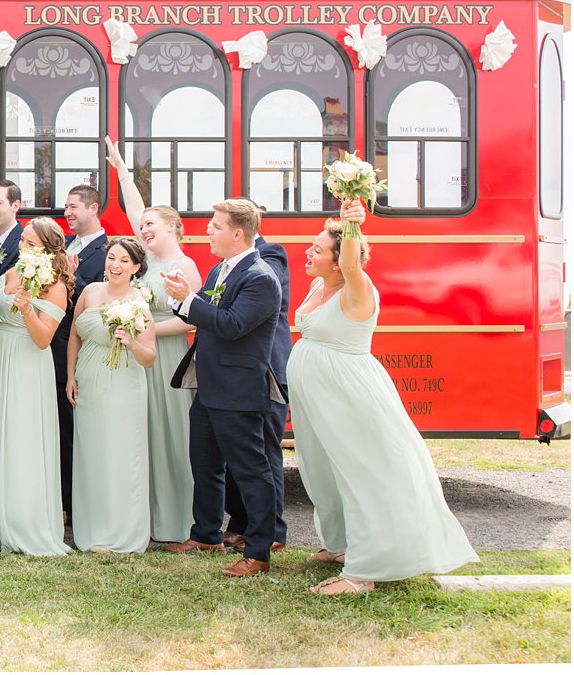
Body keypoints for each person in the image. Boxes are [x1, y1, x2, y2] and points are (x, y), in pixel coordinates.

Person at [289, 200, 478, 593]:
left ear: (339, 261)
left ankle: (363, 571)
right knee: (323, 470)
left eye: (318, 249)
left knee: (361, 472)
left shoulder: (358, 290)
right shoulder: (318, 285)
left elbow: (355, 266)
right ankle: (341, 544)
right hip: (318, 400)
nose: (308, 252)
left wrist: (353, 225)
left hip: (350, 396)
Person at [162, 199, 285, 578]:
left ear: (237, 232)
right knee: (205, 465)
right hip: (209, 386)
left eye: (215, 226)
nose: (207, 231)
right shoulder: (220, 270)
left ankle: (259, 550)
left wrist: (189, 300)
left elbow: (231, 325)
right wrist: (181, 300)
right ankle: (206, 534)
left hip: (239, 390)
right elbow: (205, 316)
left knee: (251, 471)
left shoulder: (261, 277)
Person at [104, 139, 198, 544]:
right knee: (146, 433)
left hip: (169, 354)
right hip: (142, 354)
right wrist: (123, 173)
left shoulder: (184, 264)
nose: (143, 230)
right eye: (142, 228)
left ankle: (180, 520)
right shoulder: (147, 258)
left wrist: (146, 329)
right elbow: (134, 207)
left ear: (172, 229)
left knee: (172, 432)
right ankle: (149, 515)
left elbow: (192, 320)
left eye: (151, 227)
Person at [0, 217, 73, 555]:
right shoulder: (11, 273)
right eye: (22, 242)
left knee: (20, 436)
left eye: (31, 244)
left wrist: (28, 309)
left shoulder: (55, 285)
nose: (23, 248)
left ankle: (22, 521)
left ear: (48, 249)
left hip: (27, 362)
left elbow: (44, 339)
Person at [67, 235, 157, 552]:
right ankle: (92, 529)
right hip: (89, 380)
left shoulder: (138, 303)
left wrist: (131, 343)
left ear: (135, 267)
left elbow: (149, 357)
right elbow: (74, 336)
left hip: (123, 385)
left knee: (120, 455)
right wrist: (70, 376)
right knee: (92, 454)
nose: (115, 265)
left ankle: (122, 533)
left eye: (123, 261)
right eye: (111, 258)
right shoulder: (90, 292)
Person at [223, 210, 292, 554]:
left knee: (265, 451)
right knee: (237, 453)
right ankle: (240, 524)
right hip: (235, 373)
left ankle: (273, 531)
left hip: (266, 368)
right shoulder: (224, 266)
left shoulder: (270, 256)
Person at [53, 183, 108, 519]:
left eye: (74, 206)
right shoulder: (67, 246)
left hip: (81, 347)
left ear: (93, 208)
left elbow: (105, 297)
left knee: (76, 429)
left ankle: (77, 504)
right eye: (66, 207)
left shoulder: (106, 252)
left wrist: (74, 278)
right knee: (62, 428)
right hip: (59, 345)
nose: (67, 213)